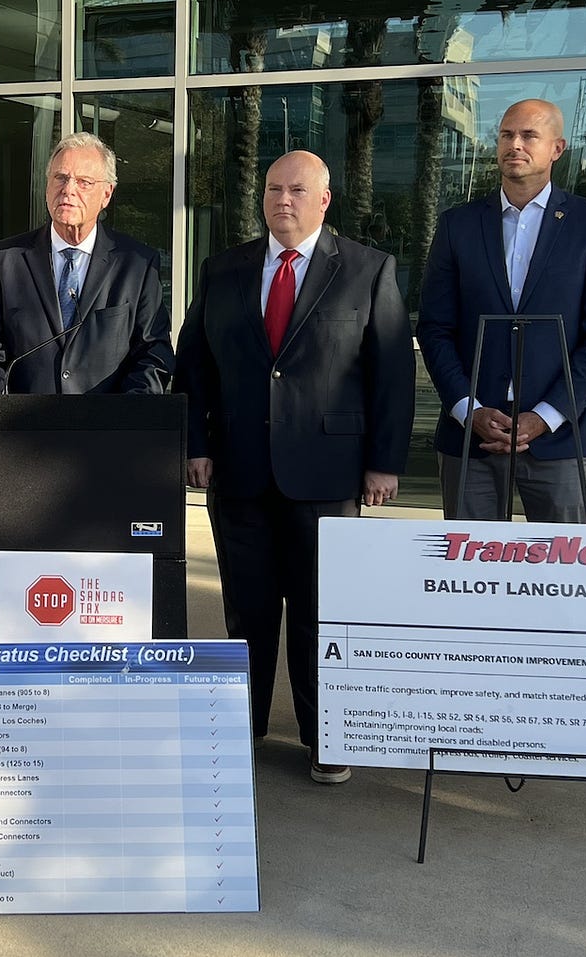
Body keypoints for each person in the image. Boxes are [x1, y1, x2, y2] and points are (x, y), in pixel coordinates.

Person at [175, 150, 414, 785]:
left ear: (325, 200)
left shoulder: (366, 269)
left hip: (328, 474)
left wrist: (384, 463)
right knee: (245, 611)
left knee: (319, 614)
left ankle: (323, 738)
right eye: (273, 189)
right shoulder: (222, 270)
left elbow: (391, 374)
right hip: (239, 470)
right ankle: (240, 729)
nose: (284, 200)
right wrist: (195, 444)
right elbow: (193, 364)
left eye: (298, 190)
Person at [416, 98, 586, 521]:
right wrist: (467, 409)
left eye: (529, 135)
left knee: (562, 579)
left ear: (557, 148)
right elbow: (435, 327)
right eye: (507, 135)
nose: (515, 144)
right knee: (470, 577)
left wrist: (546, 416)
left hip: (560, 436)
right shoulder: (458, 225)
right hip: (471, 437)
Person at [0, 131, 173, 394]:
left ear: (106, 194)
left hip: (106, 428)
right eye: (60, 178)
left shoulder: (137, 265)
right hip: (24, 429)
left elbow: (153, 354)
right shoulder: (6, 260)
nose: (68, 190)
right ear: (47, 185)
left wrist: (125, 420)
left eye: (84, 182)